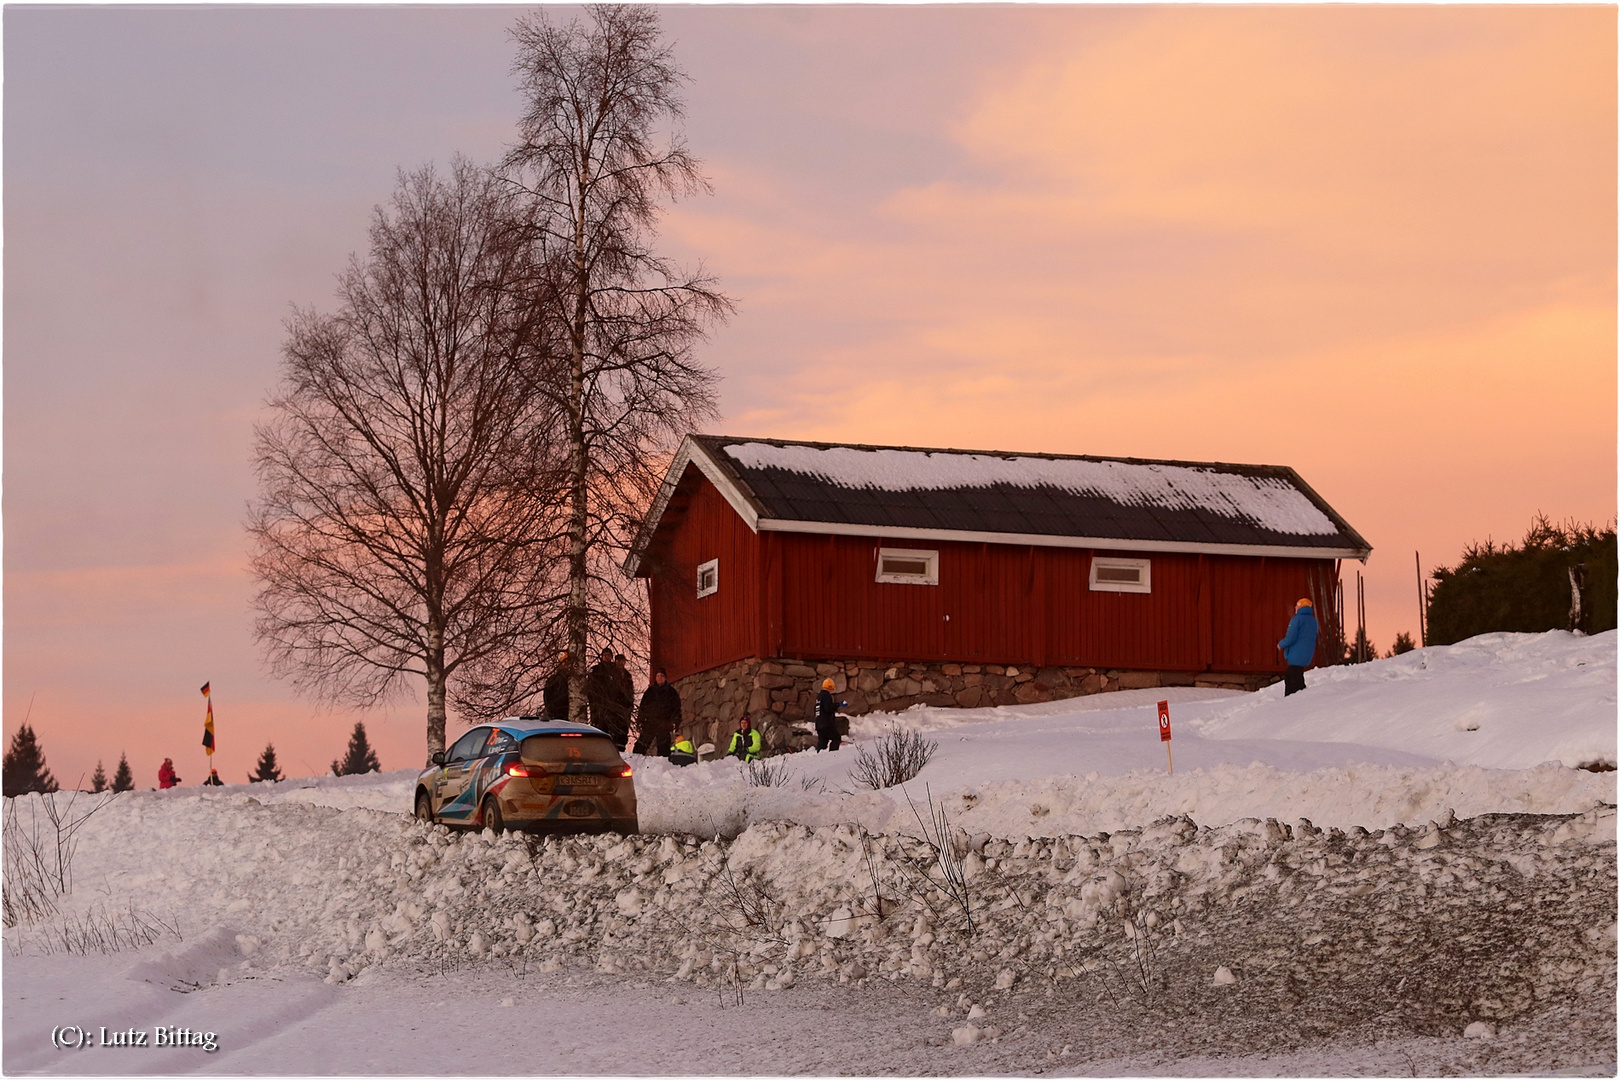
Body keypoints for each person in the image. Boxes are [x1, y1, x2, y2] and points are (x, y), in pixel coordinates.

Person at [633, 668, 682, 757]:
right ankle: (635, 762)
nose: (660, 678)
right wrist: (640, 721)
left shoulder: (671, 692)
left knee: (664, 748)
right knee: (640, 746)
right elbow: (643, 707)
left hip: (664, 723)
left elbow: (676, 708)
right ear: (655, 678)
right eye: (658, 676)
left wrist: (675, 722)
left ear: (665, 678)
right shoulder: (650, 692)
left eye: (662, 676)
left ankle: (663, 766)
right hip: (650, 722)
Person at [586, 649, 629, 749]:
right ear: (601, 657)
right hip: (598, 705)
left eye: (608, 655)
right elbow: (590, 688)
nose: (606, 657)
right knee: (599, 727)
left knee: (613, 729)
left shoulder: (616, 672)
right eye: (605, 655)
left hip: (613, 706)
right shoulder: (596, 670)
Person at [1278, 597, 1320, 696]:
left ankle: (1294, 700)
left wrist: (1281, 644)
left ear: (1301, 607)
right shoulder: (1313, 621)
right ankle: (1292, 699)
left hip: (1296, 654)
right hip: (1306, 654)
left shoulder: (1297, 619)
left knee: (1293, 679)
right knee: (1293, 675)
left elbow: (1291, 637)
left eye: (1297, 606)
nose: (1295, 608)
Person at [815, 678, 843, 752]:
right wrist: (837, 705)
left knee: (823, 741)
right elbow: (828, 708)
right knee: (836, 738)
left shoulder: (819, 697)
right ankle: (832, 756)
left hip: (818, 724)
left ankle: (819, 758)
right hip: (826, 724)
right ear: (830, 687)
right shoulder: (826, 695)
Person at [543, 651, 573, 721]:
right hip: (558, 717)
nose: (567, 665)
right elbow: (547, 697)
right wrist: (553, 713)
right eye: (565, 662)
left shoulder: (577, 681)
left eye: (569, 662)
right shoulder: (553, 680)